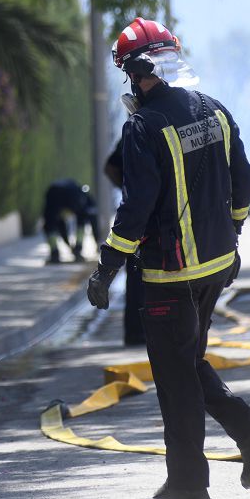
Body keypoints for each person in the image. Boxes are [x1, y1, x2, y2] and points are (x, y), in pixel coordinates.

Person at [86, 17, 250, 499]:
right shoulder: (214, 111)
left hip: (170, 276)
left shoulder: (143, 127)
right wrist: (231, 237)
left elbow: (136, 209)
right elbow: (243, 184)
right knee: (188, 365)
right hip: (216, 268)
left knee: (175, 378)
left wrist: (107, 266)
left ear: (136, 71)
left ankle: (189, 489)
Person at [103, 141, 145, 346]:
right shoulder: (137, 130)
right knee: (138, 273)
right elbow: (110, 167)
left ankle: (137, 333)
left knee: (137, 275)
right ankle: (139, 334)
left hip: (139, 211)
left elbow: (110, 167)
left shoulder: (134, 131)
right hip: (144, 215)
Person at [41, 178, 100, 264]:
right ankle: (78, 250)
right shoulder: (85, 198)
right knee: (81, 221)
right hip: (72, 194)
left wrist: (68, 244)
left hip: (52, 192)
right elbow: (93, 222)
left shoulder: (77, 193)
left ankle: (54, 254)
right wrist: (97, 241)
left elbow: (61, 226)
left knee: (50, 224)